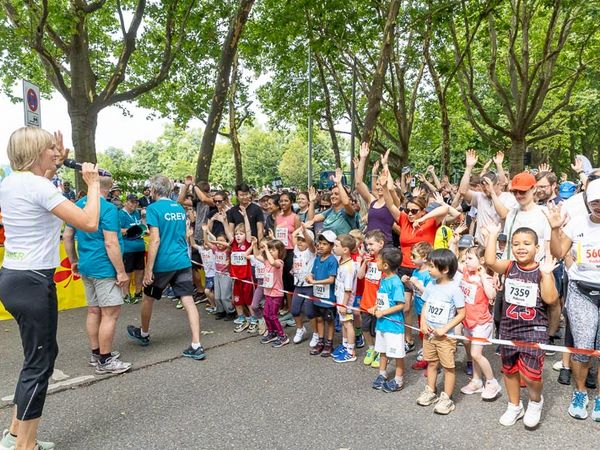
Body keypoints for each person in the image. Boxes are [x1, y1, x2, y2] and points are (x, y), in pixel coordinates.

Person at [0, 127, 100, 450]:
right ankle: (24, 447)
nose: (53, 154)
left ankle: (15, 433)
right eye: (48, 150)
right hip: (34, 282)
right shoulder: (39, 186)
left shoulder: (11, 182)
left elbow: (41, 182)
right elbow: (88, 222)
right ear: (36, 153)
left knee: (40, 356)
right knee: (39, 365)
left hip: (13, 278)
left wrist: (58, 163)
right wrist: (94, 185)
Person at [484, 224, 559, 428]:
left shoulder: (542, 270)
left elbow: (551, 299)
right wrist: (492, 235)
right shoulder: (509, 266)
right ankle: (514, 406)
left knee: (531, 375)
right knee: (509, 370)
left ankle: (535, 402)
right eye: (516, 244)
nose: (521, 247)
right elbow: (490, 261)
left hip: (534, 329)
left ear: (537, 247)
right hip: (509, 327)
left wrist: (546, 275)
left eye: (527, 243)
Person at [126, 175, 206, 361]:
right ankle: (196, 344)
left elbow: (154, 239)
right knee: (188, 301)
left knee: (148, 297)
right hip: (182, 261)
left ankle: (144, 333)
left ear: (153, 190)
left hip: (163, 263)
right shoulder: (178, 207)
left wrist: (149, 269)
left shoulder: (153, 209)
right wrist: (186, 187)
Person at [63, 177, 132, 375]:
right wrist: (120, 271)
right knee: (110, 313)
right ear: (110, 189)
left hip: (86, 265)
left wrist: (73, 260)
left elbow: (68, 235)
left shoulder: (78, 205)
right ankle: (105, 360)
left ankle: (97, 354)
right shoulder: (108, 209)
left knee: (94, 311)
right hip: (104, 267)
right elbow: (111, 243)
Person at [545, 180, 600, 421]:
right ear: (588, 202)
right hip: (581, 290)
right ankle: (580, 393)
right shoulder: (578, 222)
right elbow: (558, 252)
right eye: (595, 201)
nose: (599, 206)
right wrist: (555, 228)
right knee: (583, 347)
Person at [379, 167, 449, 353]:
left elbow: (445, 208)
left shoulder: (430, 221)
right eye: (408, 210)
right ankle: (408, 340)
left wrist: (423, 218)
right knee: (405, 307)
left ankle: (429, 342)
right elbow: (390, 205)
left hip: (426, 270)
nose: (410, 214)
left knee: (425, 306)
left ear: (422, 210)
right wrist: (385, 188)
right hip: (405, 268)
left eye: (414, 211)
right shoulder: (403, 219)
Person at [417, 249, 466, 415]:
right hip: (429, 334)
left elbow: (462, 313)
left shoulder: (454, 289)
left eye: (432, 266)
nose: (428, 269)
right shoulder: (431, 285)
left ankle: (447, 398)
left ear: (445, 269)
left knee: (448, 367)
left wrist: (445, 328)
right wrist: (423, 324)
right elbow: (425, 305)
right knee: (431, 362)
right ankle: (430, 391)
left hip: (446, 337)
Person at [457, 246, 501, 400]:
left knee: (476, 354)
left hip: (482, 322)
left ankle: (492, 382)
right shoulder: (466, 272)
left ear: (481, 260)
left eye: (470, 258)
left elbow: (491, 295)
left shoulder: (486, 278)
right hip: (468, 320)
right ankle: (476, 381)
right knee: (474, 354)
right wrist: (454, 244)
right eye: (465, 259)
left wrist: (483, 276)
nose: (466, 261)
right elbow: (455, 263)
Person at [458, 149, 516, 245]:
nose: (486, 189)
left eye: (489, 185)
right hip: (480, 245)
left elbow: (504, 215)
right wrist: (468, 168)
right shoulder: (480, 196)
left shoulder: (508, 197)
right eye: (483, 186)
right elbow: (463, 191)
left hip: (498, 248)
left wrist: (492, 193)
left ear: (498, 184)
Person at [371, 248, 406, 392]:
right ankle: (382, 373)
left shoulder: (396, 283)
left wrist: (383, 312)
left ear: (385, 265)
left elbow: (401, 305)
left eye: (378, 260)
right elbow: (382, 299)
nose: (376, 262)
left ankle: (398, 379)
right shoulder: (384, 279)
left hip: (393, 326)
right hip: (382, 324)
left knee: (397, 354)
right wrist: (375, 307)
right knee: (382, 351)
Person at [503, 172, 551, 262]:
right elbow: (507, 246)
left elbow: (547, 247)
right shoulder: (511, 214)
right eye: (515, 192)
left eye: (522, 191)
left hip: (537, 269)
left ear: (534, 189)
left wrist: (546, 271)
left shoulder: (544, 213)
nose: (518, 195)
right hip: (513, 269)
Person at [355, 143, 396, 246]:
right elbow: (359, 183)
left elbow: (390, 188)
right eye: (377, 184)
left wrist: (385, 165)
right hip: (369, 245)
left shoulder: (392, 203)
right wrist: (363, 158)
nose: (379, 186)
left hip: (385, 246)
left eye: (381, 184)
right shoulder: (372, 201)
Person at [306, 230, 339, 357]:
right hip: (317, 297)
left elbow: (331, 279)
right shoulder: (317, 259)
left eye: (324, 244)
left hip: (328, 298)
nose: (320, 246)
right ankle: (320, 341)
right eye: (319, 243)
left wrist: (315, 282)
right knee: (319, 319)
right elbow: (313, 272)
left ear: (331, 246)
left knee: (329, 321)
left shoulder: (332, 260)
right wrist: (309, 276)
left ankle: (329, 343)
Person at [223, 206, 255, 331]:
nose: (238, 236)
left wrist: (245, 216)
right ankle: (241, 317)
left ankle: (253, 318)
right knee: (237, 300)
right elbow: (228, 233)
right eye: (236, 234)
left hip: (246, 278)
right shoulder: (234, 244)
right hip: (236, 278)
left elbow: (248, 231)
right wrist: (224, 221)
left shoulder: (247, 243)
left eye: (240, 234)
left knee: (248, 300)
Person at [357, 230, 386, 368]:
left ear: (381, 244)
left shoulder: (384, 261)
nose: (369, 247)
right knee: (365, 327)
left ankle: (381, 351)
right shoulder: (368, 259)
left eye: (371, 244)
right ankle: (371, 348)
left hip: (378, 303)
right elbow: (360, 276)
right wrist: (364, 263)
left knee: (378, 330)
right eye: (367, 244)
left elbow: (385, 285)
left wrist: (377, 303)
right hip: (366, 301)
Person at [403, 242, 433, 371]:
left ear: (425, 257)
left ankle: (430, 360)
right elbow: (413, 288)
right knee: (423, 334)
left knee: (428, 334)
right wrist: (408, 283)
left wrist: (416, 284)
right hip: (420, 309)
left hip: (428, 310)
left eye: (414, 256)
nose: (411, 258)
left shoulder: (429, 274)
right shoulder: (416, 271)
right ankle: (428, 355)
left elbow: (430, 293)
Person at [255, 239, 290, 347]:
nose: (270, 251)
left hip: (276, 293)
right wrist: (254, 244)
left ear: (280, 252)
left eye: (273, 250)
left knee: (273, 315)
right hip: (267, 292)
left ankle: (282, 336)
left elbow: (272, 262)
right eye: (270, 249)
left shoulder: (279, 262)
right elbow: (256, 256)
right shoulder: (266, 261)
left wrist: (266, 250)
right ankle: (272, 332)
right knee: (266, 314)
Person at [331, 234, 358, 363]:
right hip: (340, 299)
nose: (334, 248)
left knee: (348, 324)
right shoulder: (343, 262)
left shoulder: (348, 268)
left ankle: (351, 351)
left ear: (346, 249)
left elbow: (348, 289)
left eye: (336, 246)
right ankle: (345, 344)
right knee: (343, 323)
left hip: (345, 302)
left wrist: (343, 305)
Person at [306, 168, 357, 236]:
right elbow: (311, 219)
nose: (332, 196)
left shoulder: (348, 211)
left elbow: (346, 203)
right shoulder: (330, 211)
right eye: (332, 194)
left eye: (336, 194)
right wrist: (312, 202)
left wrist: (339, 183)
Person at [290, 224, 316, 344]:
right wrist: (300, 229)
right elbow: (293, 235)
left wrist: (305, 231)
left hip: (309, 286)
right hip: (298, 286)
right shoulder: (296, 249)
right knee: (294, 310)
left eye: (303, 240)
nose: (300, 242)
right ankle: (300, 329)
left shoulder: (311, 252)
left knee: (310, 312)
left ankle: (316, 333)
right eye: (299, 240)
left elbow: (310, 243)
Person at [119, 194, 146, 303]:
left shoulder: (136, 213)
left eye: (136, 203)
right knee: (128, 271)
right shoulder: (120, 214)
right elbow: (117, 230)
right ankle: (126, 294)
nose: (134, 205)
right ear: (126, 202)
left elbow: (141, 226)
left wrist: (142, 230)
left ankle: (138, 292)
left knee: (140, 270)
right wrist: (131, 230)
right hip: (128, 248)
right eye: (132, 202)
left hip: (139, 246)